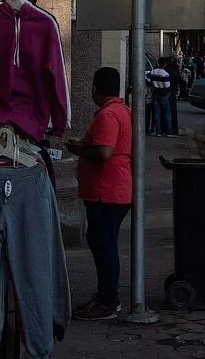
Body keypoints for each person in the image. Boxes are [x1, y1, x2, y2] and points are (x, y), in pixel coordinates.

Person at [67, 67, 132, 321]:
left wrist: (78, 149)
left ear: (96, 88)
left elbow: (104, 152)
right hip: (110, 191)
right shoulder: (121, 110)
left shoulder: (109, 115)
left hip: (107, 192)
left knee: (104, 246)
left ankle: (107, 301)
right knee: (103, 244)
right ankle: (104, 296)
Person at [146, 59, 173, 137]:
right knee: (167, 113)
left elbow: (147, 78)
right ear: (164, 64)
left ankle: (158, 131)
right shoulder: (165, 74)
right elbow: (167, 86)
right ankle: (168, 131)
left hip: (155, 94)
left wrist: (152, 85)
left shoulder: (153, 72)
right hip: (164, 94)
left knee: (157, 113)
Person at [165, 57, 183, 136]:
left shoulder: (166, 69)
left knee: (165, 111)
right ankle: (172, 129)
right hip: (171, 92)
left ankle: (166, 129)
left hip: (166, 92)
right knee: (171, 111)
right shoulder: (173, 70)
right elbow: (179, 79)